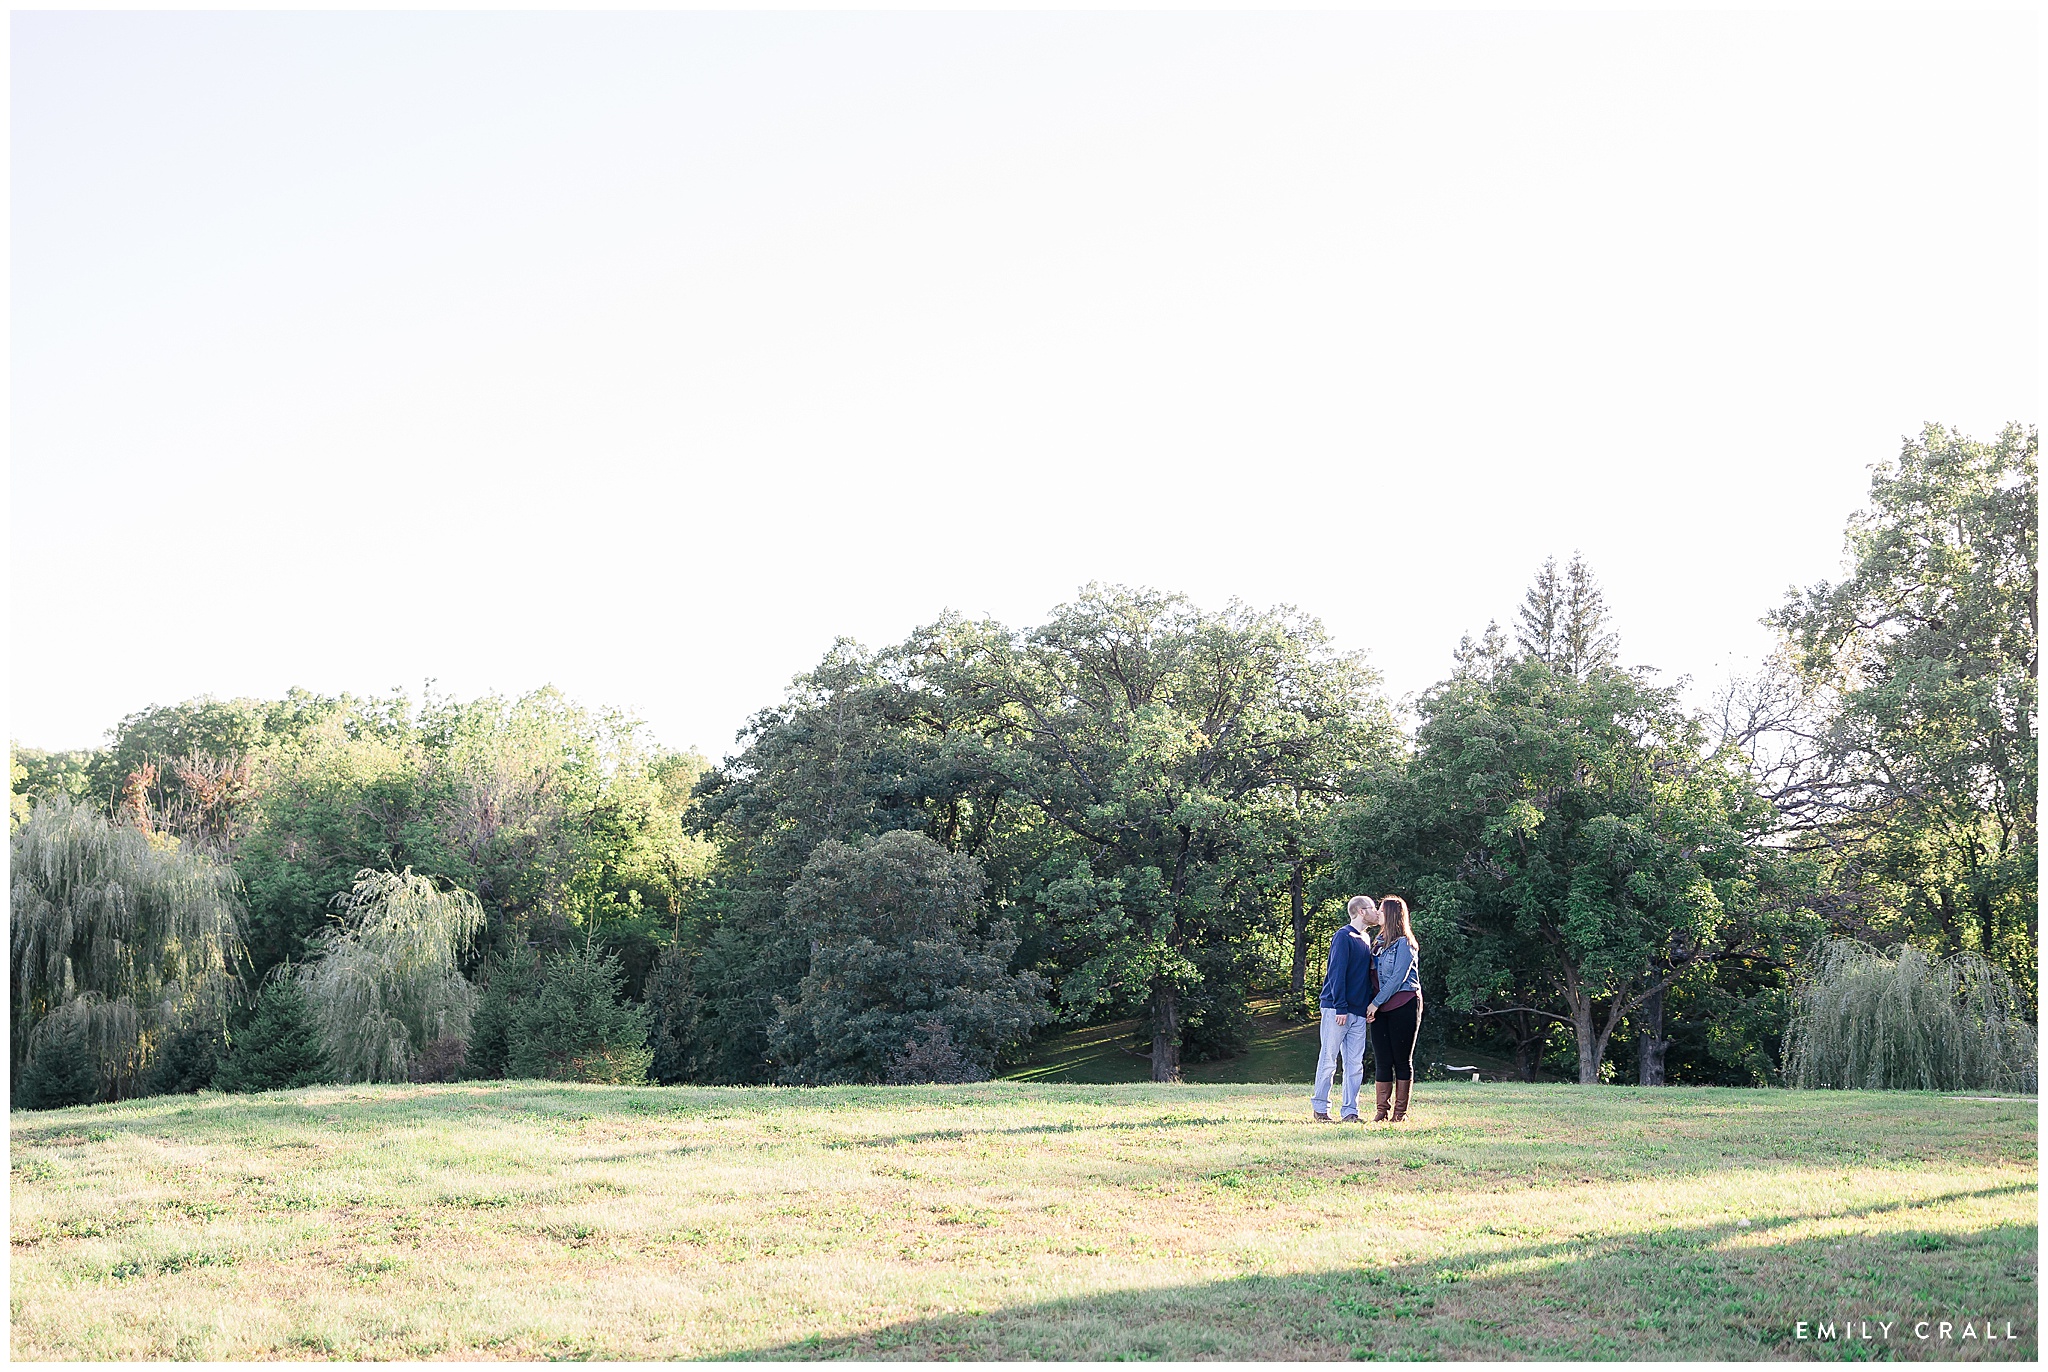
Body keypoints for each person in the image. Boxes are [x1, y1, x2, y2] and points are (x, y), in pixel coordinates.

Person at [1310, 896, 1380, 1123]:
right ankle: (1320, 1109)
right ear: (1361, 911)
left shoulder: (1367, 938)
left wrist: (1369, 1006)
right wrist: (1340, 1007)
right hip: (1336, 1009)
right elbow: (1336, 973)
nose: (1377, 912)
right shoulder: (1343, 936)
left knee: (1355, 1064)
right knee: (1329, 1059)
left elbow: (1365, 977)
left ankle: (1350, 1111)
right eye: (1373, 908)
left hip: (1359, 1012)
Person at [1364, 894, 1422, 1122]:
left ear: (1391, 915)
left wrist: (1375, 1004)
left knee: (1402, 1059)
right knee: (1382, 1059)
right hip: (1378, 1007)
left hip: (1403, 1003)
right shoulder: (1376, 943)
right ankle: (1381, 1111)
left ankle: (1400, 1113)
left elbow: (1398, 977)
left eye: (1380, 910)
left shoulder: (1406, 945)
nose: (1377, 913)